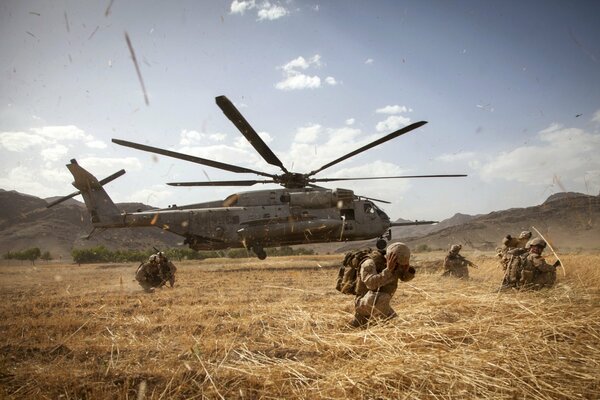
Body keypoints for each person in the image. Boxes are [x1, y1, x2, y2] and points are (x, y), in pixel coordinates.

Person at [350, 242, 416, 328]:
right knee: (383, 298)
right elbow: (370, 284)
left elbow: (404, 278)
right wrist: (388, 270)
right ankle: (377, 325)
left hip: (380, 303)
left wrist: (406, 271)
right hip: (363, 303)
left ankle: (366, 324)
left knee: (396, 325)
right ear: (389, 257)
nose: (397, 266)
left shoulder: (396, 263)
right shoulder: (370, 263)